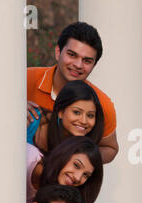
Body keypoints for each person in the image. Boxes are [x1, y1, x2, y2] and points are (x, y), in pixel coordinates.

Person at [27, 21, 118, 164]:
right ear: (58, 52)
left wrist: (78, 156)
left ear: (94, 65)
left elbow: (110, 148)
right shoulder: (25, 80)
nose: (78, 65)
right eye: (72, 55)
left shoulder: (101, 103)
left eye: (87, 61)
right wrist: (12, 109)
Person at [27, 80, 105, 153]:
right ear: (60, 112)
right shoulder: (31, 118)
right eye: (76, 112)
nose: (84, 121)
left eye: (90, 115)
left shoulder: (84, 148)